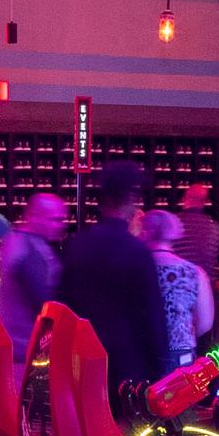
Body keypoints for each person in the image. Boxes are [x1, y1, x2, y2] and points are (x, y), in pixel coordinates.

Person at [57, 159, 172, 394]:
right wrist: (162, 374)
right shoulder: (136, 251)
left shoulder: (77, 245)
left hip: (83, 362)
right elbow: (152, 319)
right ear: (129, 201)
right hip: (128, 368)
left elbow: (62, 306)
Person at [0, 189, 66, 354]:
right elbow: (43, 302)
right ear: (35, 216)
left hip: (14, 343)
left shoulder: (13, 239)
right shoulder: (32, 250)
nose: (62, 225)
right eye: (56, 219)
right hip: (29, 347)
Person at [144, 208, 217, 368]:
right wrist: (185, 336)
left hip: (145, 353)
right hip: (182, 353)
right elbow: (205, 322)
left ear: (147, 232)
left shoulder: (139, 268)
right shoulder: (193, 272)